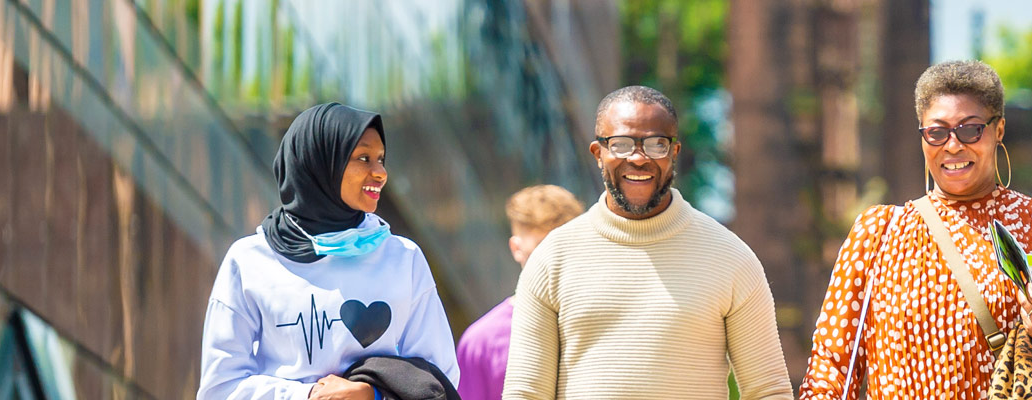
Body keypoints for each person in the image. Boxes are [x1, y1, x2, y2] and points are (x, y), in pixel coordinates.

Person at [800, 60, 1032, 399]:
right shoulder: (880, 233)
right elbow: (831, 369)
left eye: (970, 129)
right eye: (937, 132)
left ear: (999, 130)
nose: (953, 145)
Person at [502, 86, 794, 399]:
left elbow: (768, 390)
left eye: (657, 144)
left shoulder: (731, 258)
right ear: (598, 154)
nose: (639, 158)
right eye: (621, 144)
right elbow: (526, 391)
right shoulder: (551, 259)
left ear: (675, 153)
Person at [198, 102, 458, 399]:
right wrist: (309, 396)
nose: (381, 173)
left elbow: (441, 377)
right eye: (364, 158)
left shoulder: (403, 258)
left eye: (381, 159)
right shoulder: (248, 261)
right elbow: (220, 388)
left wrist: (372, 394)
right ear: (319, 163)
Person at [455, 185, 583, 400]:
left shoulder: (608, 320)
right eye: (542, 251)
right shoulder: (481, 342)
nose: (556, 263)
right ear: (516, 249)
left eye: (566, 249)